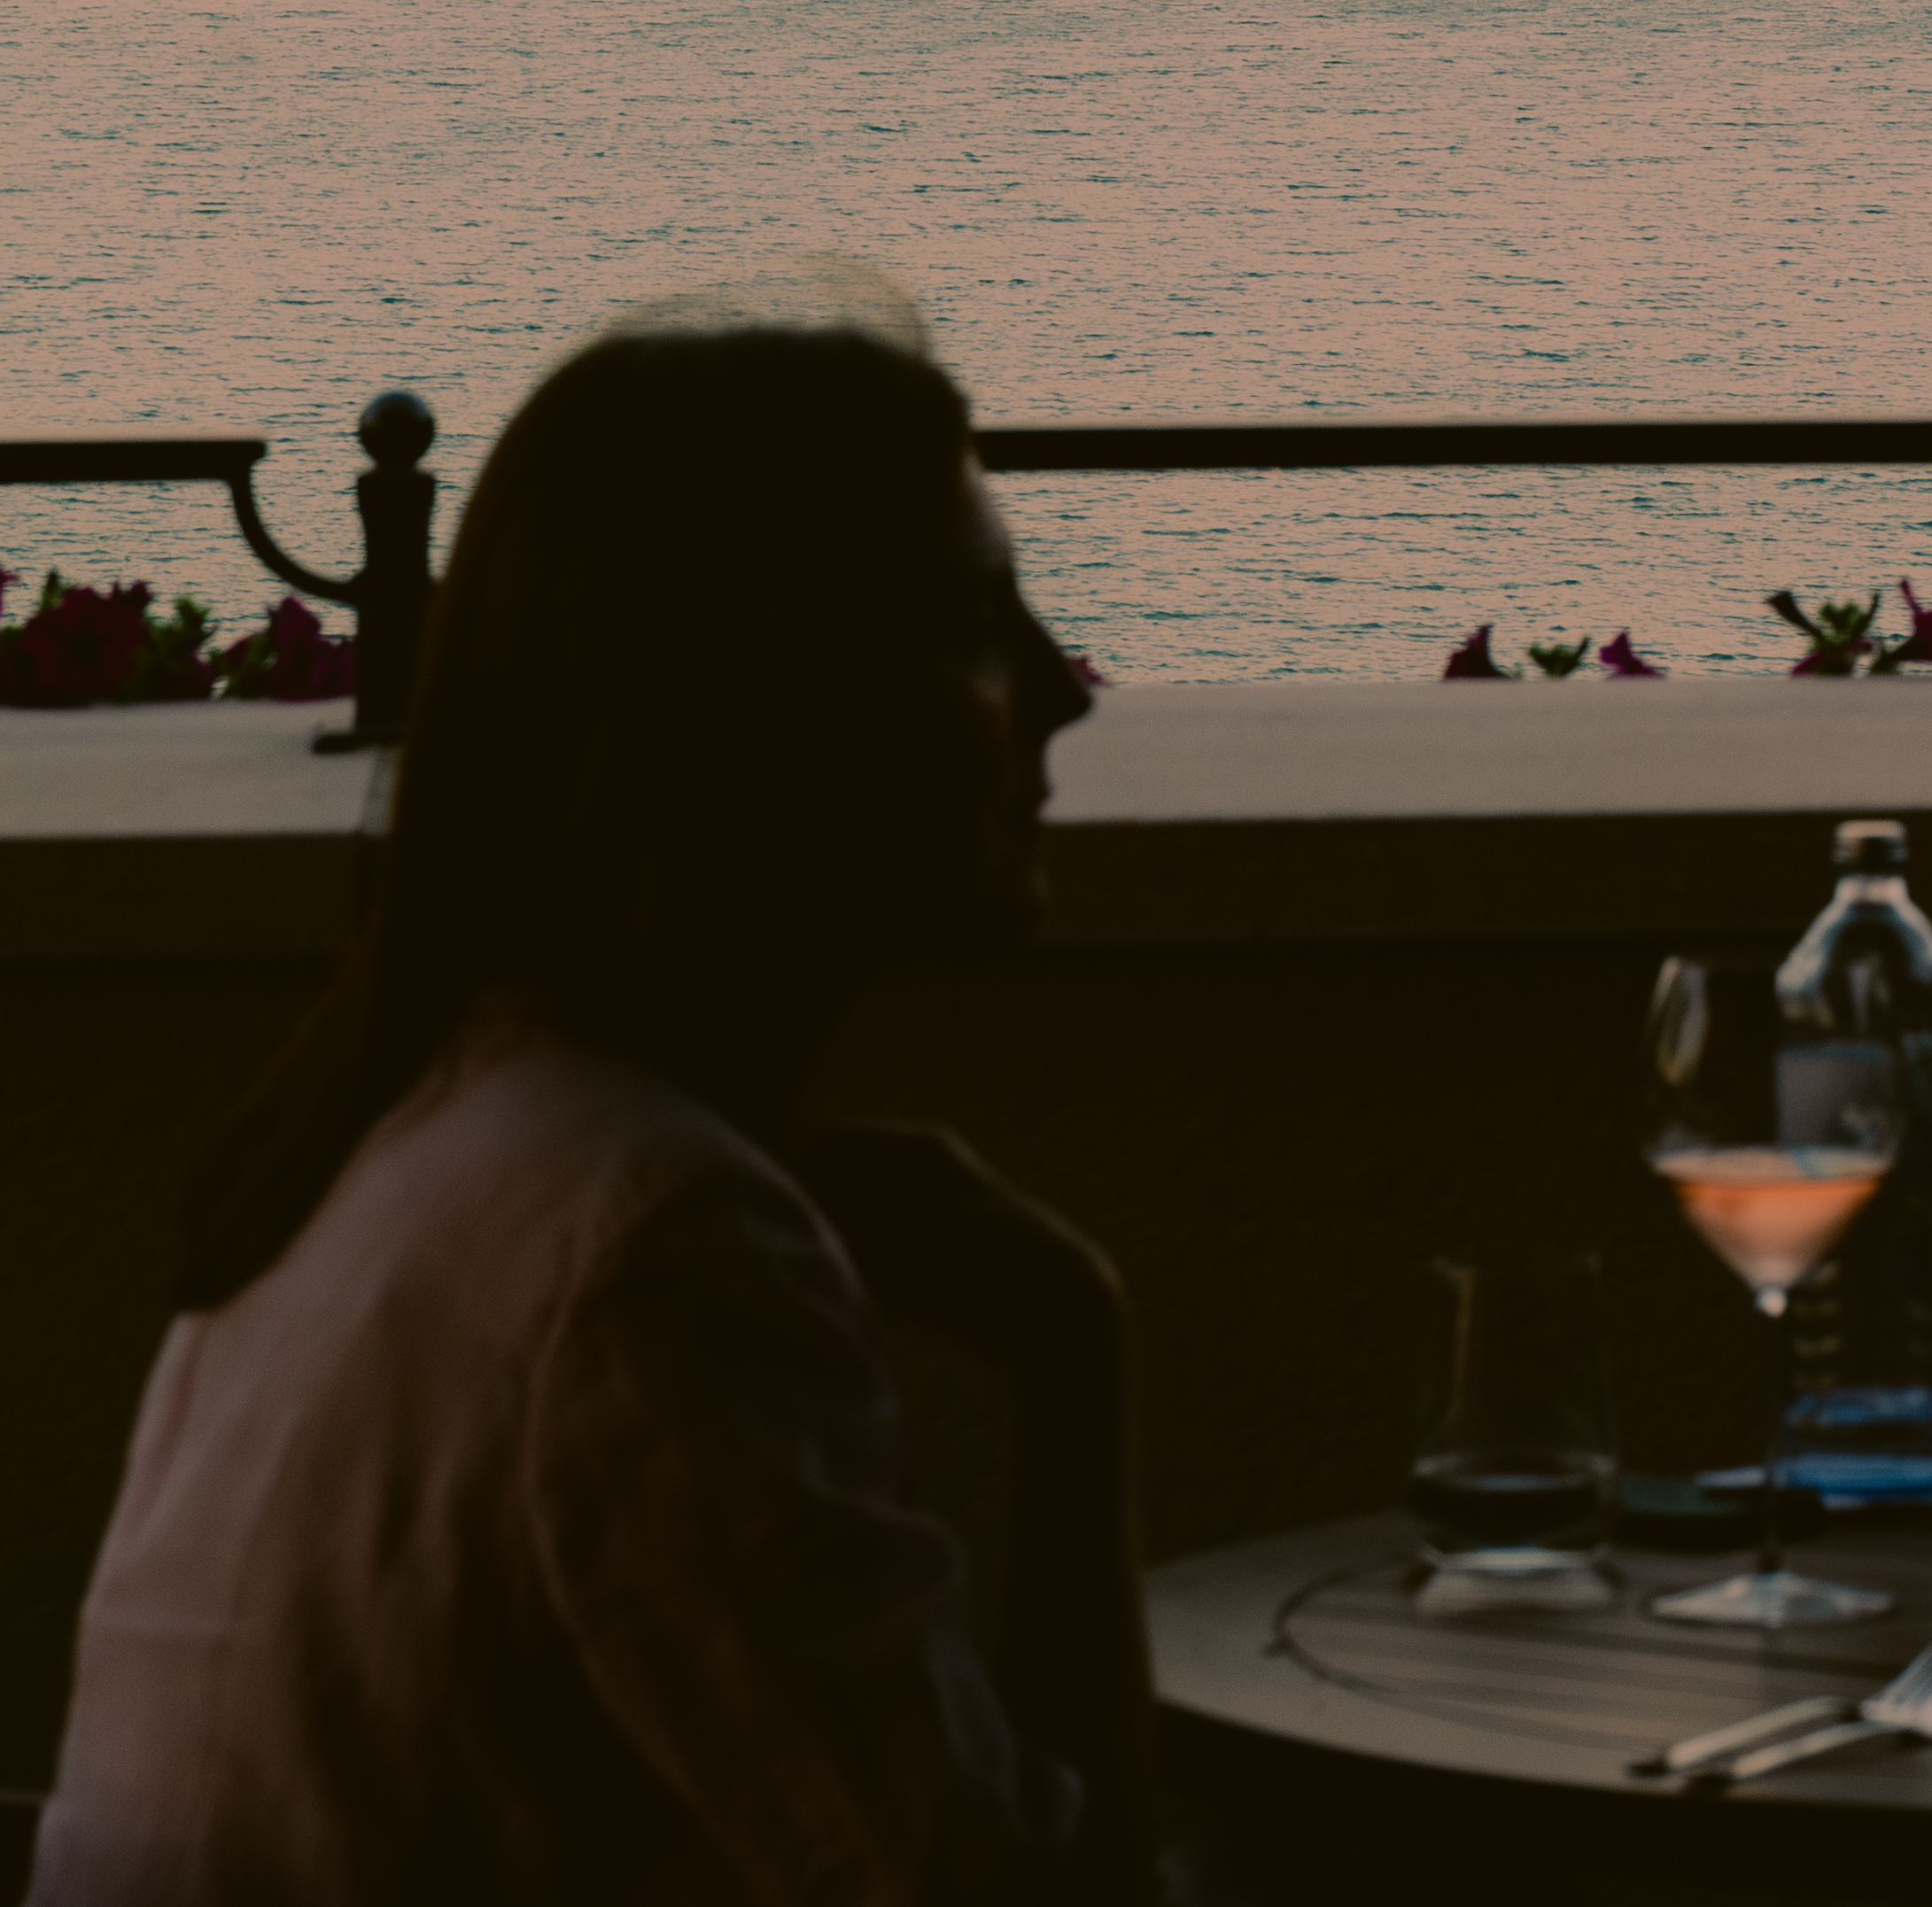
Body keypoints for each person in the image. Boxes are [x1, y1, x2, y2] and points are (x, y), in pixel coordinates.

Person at [37, 298, 1153, 1903]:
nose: (1061, 689)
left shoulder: (403, 1142)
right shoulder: (652, 1249)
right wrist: (1072, 1335)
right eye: (979, 619)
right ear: (774, 708)